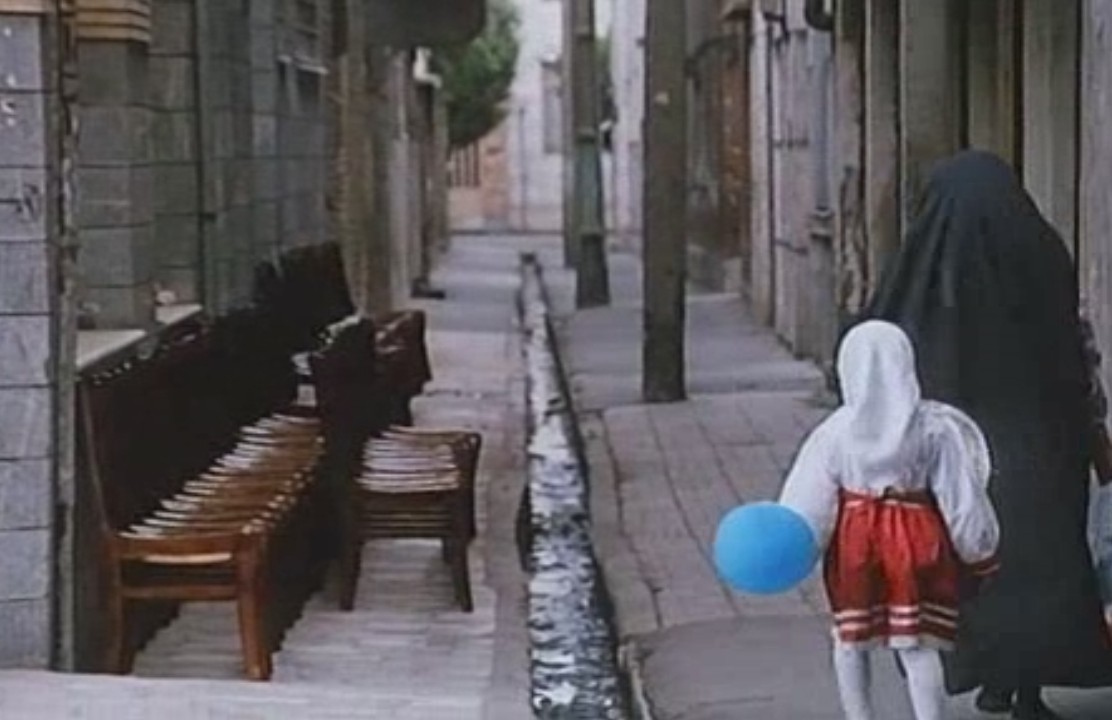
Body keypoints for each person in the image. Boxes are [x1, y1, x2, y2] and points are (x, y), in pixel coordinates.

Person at [862, 150, 1112, 719]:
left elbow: (872, 355)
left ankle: (987, 677)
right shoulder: (1040, 253)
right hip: (1040, 449)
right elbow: (1076, 351)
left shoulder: (920, 269)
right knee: (1038, 567)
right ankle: (1026, 689)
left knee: (966, 569)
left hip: (952, 456)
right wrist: (1094, 433)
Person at [780, 320, 1000, 720]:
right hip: (917, 535)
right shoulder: (933, 427)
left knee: (849, 639)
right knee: (917, 643)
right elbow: (959, 496)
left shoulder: (835, 432)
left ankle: (859, 716)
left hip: (856, 539)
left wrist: (798, 542)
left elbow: (810, 499)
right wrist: (978, 551)